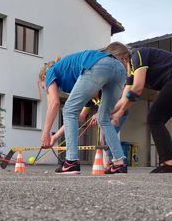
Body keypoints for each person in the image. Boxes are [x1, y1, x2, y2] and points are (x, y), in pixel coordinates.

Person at [39, 43, 130, 175]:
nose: (46, 89)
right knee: (103, 118)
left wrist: (46, 133)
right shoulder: (72, 75)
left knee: (69, 110)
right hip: (120, 69)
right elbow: (79, 116)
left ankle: (71, 162)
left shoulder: (50, 73)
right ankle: (119, 164)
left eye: (44, 87)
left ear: (43, 78)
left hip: (99, 65)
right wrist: (55, 137)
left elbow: (54, 104)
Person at [111, 45, 172, 173]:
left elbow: (138, 88)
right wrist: (109, 112)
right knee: (156, 119)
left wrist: (120, 113)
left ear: (121, 58)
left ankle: (169, 164)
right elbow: (124, 98)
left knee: (154, 118)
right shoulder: (130, 71)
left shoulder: (137, 55)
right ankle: (169, 164)